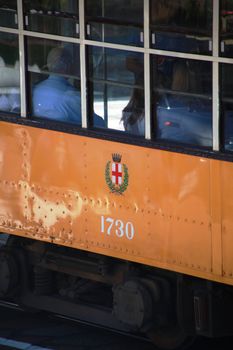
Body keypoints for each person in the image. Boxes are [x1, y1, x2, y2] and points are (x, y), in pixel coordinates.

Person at [33, 46, 105, 127]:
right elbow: (98, 125)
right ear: (67, 66)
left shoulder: (35, 90)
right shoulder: (71, 97)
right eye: (72, 62)